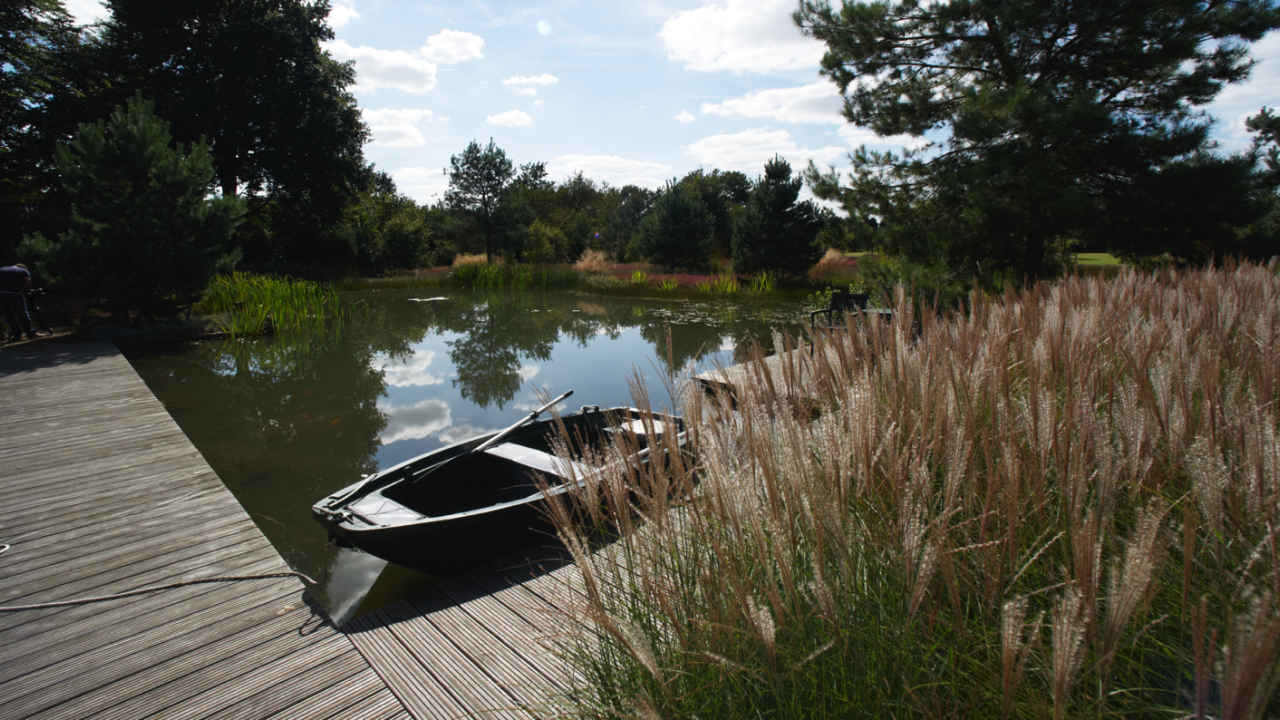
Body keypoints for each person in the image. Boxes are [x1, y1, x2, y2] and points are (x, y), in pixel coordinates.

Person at [0, 263, 38, 342]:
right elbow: (28, 282)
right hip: (15, 292)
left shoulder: (2, 268)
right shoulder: (23, 271)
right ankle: (30, 333)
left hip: (1, 293)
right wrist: (24, 291)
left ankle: (16, 335)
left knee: (8, 314)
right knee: (22, 312)